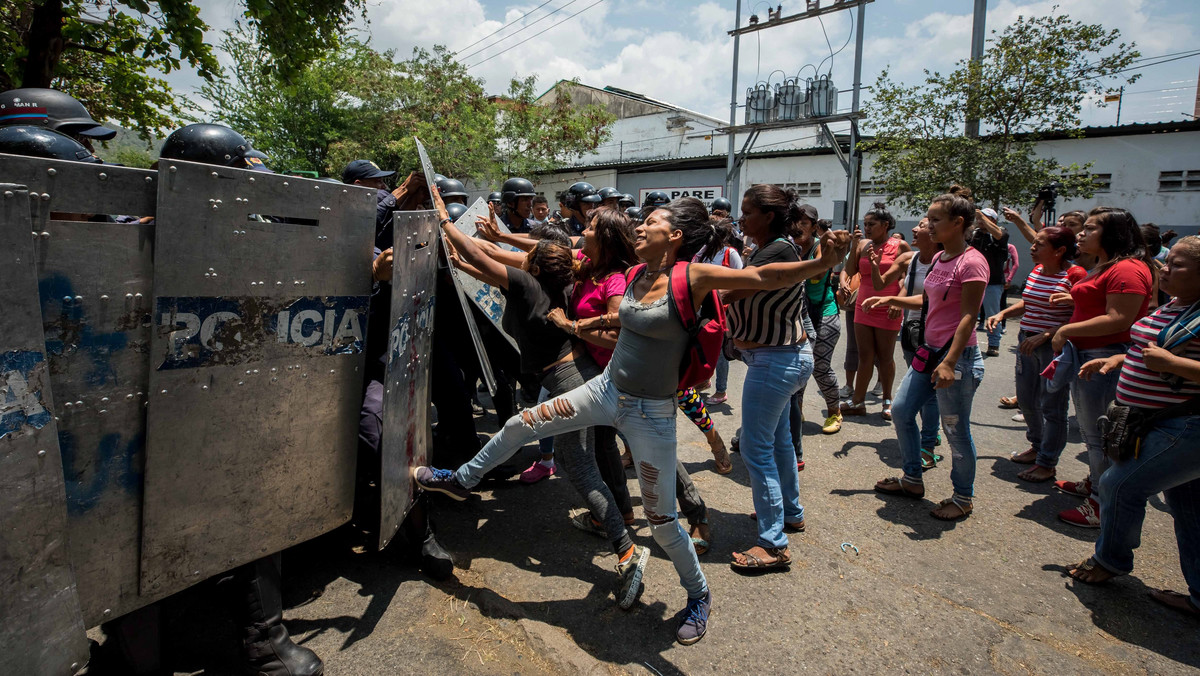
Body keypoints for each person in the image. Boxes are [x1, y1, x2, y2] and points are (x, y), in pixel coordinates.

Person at [415, 196, 851, 644]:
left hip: (651, 414)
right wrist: (470, 235)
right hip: (605, 391)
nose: (641, 226)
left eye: (653, 221)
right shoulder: (636, 273)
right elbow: (540, 251)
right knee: (520, 425)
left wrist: (821, 264)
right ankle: (461, 479)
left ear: (675, 236)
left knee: (662, 524)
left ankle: (698, 595)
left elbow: (761, 276)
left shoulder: (691, 276)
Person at [437, 193, 652, 611]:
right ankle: (623, 542)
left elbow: (481, 255)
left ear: (532, 266)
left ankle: (626, 550)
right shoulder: (555, 282)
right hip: (575, 375)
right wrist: (463, 257)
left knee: (579, 464)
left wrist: (447, 222)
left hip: (569, 381)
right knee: (582, 463)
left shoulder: (526, 283)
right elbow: (479, 262)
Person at [1065, 236, 1200, 621]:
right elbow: (1149, 349)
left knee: (1118, 484)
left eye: (1177, 265)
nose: (1164, 269)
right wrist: (1118, 358)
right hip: (1157, 422)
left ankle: (1110, 559)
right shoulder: (1178, 306)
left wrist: (1171, 365)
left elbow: (1167, 360)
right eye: (1166, 262)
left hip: (1184, 427)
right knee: (1188, 506)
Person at [868, 185, 988, 520]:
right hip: (928, 353)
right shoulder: (939, 257)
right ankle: (911, 480)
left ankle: (963, 497)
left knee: (955, 430)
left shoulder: (973, 262)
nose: (929, 225)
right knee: (903, 411)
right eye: (929, 219)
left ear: (959, 223)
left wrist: (950, 361)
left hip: (957, 360)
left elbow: (969, 315)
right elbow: (927, 301)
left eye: (935, 220)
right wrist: (893, 299)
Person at [722, 185, 822, 571]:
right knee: (780, 443)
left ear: (768, 215)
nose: (741, 219)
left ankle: (773, 544)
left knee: (755, 449)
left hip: (775, 362)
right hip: (784, 359)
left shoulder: (777, 249)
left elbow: (737, 289)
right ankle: (789, 514)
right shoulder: (769, 248)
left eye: (747, 212)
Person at [1052, 207, 1154, 528]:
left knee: (1102, 434)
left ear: (1113, 234)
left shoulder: (1127, 269)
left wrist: (1066, 330)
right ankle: (1096, 484)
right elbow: (1102, 303)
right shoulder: (1104, 265)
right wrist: (1075, 302)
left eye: (1091, 229)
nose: (1081, 233)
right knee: (1090, 429)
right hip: (1089, 354)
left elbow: (1120, 318)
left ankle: (1100, 503)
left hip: (1105, 357)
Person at [985, 227, 1086, 482]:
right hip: (1026, 340)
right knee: (1028, 400)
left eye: (1039, 244)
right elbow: (1029, 302)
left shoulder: (1075, 275)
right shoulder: (1038, 270)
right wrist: (1002, 313)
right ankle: (1037, 446)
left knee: (1052, 405)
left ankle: (1047, 461)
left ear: (1060, 250)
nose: (1032, 247)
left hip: (1052, 346)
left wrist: (1048, 334)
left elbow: (1083, 313)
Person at [842, 202, 910, 419]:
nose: (867, 227)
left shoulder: (900, 246)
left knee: (885, 357)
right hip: (863, 305)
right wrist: (854, 246)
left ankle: (887, 400)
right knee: (865, 356)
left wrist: (897, 301)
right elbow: (851, 270)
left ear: (886, 225)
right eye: (865, 224)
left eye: (872, 224)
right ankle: (858, 401)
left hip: (888, 307)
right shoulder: (863, 244)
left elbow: (906, 279)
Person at [893, 218, 944, 469]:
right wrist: (895, 301)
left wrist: (892, 301)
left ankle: (927, 445)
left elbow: (930, 301)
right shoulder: (912, 259)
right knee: (921, 392)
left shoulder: (942, 262)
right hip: (911, 332)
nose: (916, 228)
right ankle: (929, 436)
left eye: (923, 224)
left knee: (929, 396)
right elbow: (900, 286)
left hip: (933, 334)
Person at [793, 207, 844, 435]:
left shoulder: (820, 246)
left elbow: (816, 274)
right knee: (799, 366)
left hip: (825, 313)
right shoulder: (790, 246)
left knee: (820, 367)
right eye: (795, 221)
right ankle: (797, 410)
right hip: (798, 315)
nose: (799, 226)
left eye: (804, 222)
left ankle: (835, 411)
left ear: (814, 226)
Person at [699, 218, 743, 407]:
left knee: (720, 353)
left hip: (724, 310)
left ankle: (721, 390)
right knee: (703, 345)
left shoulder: (730, 253)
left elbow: (741, 279)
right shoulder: (703, 252)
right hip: (703, 307)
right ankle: (704, 379)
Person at [970, 207, 1011, 357]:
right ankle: (966, 342)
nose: (980, 220)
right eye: (979, 218)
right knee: (968, 313)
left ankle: (994, 344)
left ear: (993, 220)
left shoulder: (1001, 232)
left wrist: (981, 214)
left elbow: (999, 235)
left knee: (993, 314)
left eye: (984, 218)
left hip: (993, 281)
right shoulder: (975, 234)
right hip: (973, 280)